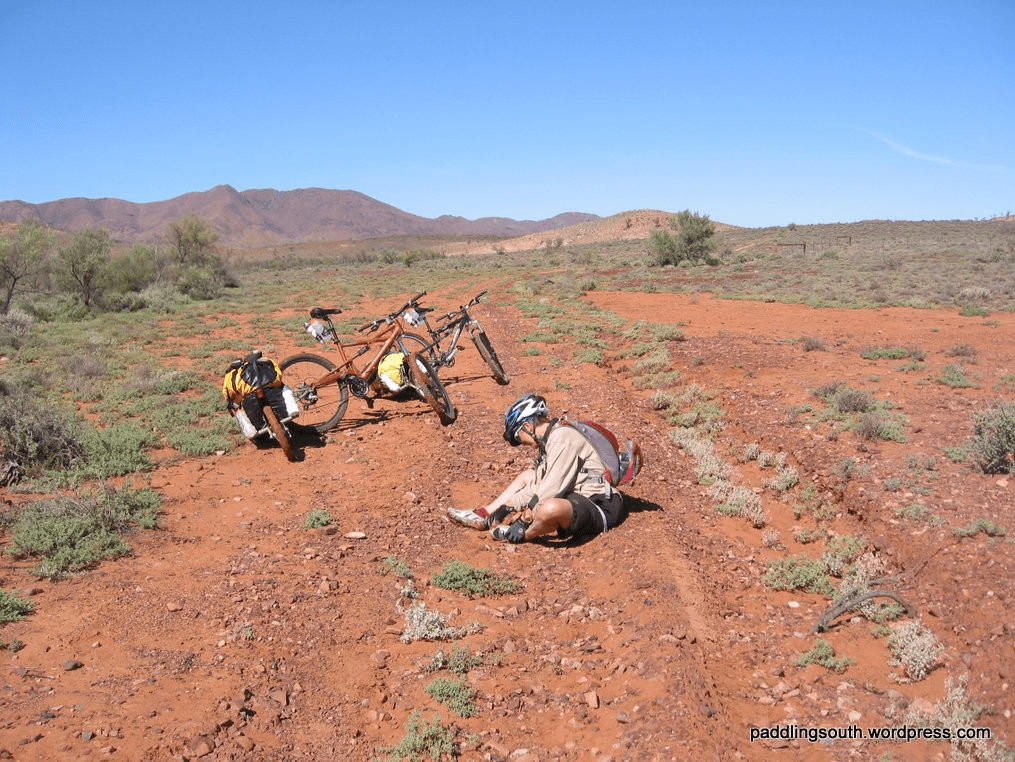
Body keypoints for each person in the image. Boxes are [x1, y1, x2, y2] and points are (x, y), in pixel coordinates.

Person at [447, 393, 626, 543]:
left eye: (518, 437)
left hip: (600, 504)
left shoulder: (562, 438)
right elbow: (537, 485)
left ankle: (521, 535)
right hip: (576, 497)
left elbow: (552, 486)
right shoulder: (550, 441)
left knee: (550, 507)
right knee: (528, 475)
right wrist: (506, 507)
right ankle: (486, 514)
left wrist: (525, 518)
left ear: (527, 426)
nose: (521, 443)